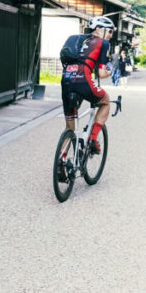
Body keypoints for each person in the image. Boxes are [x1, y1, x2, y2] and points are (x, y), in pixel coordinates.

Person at [59, 16, 114, 180]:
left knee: (70, 126)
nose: (111, 35)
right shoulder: (103, 43)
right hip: (83, 80)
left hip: (66, 79)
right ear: (99, 29)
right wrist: (111, 71)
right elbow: (102, 74)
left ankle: (61, 161)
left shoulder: (77, 40)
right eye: (109, 31)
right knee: (105, 101)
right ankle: (93, 139)